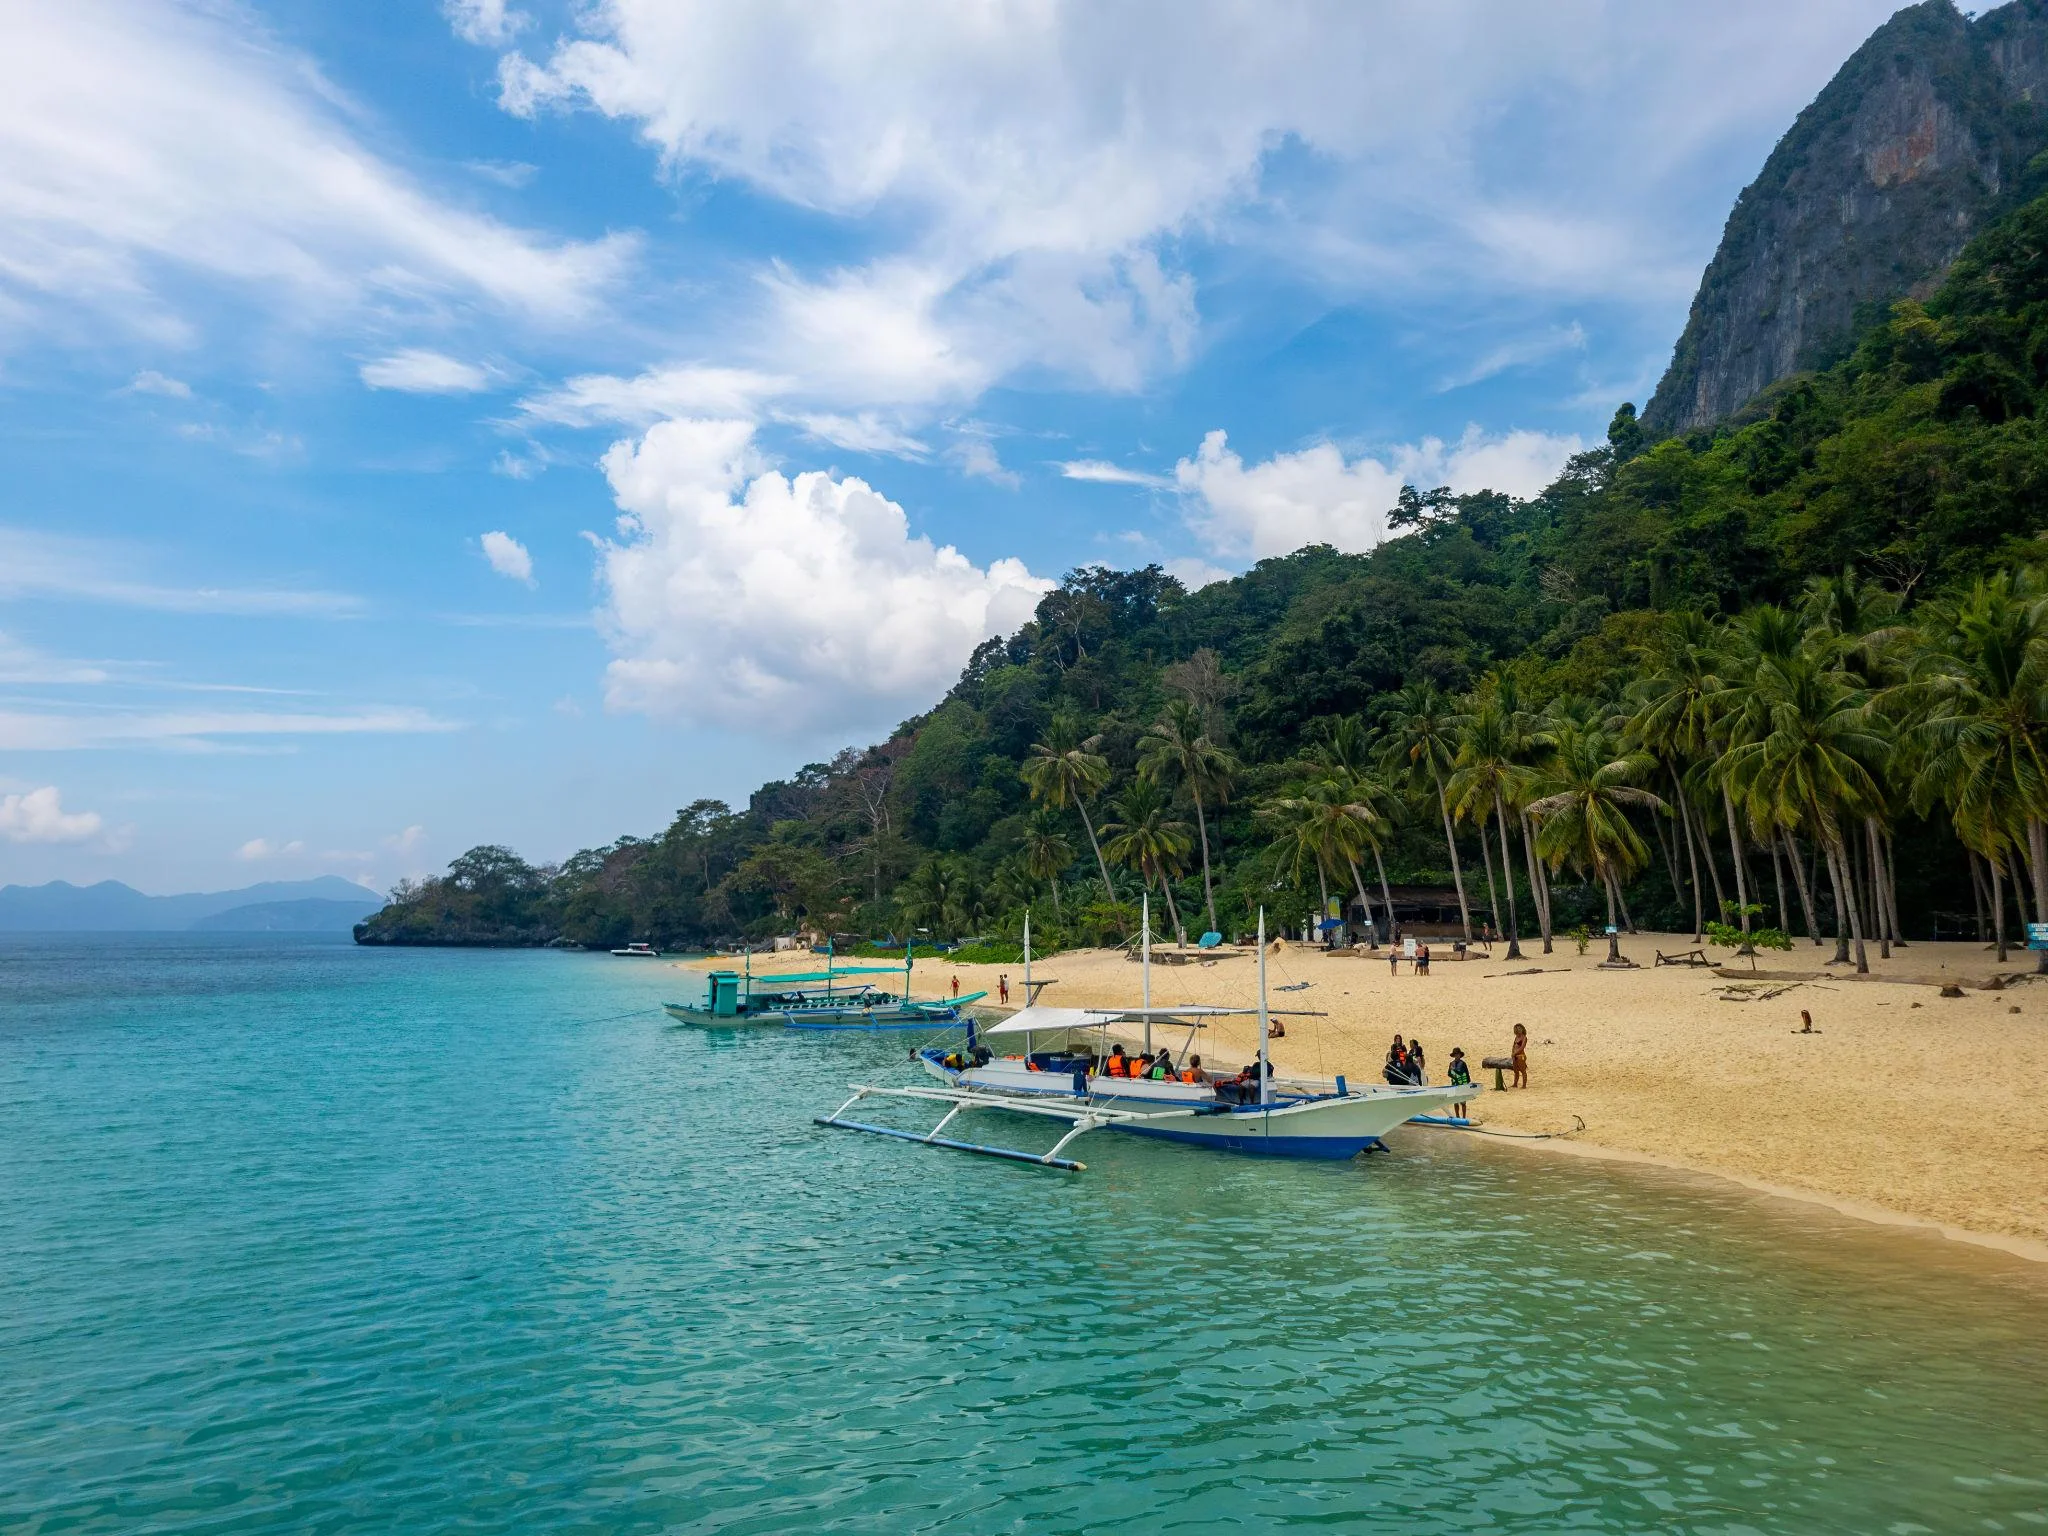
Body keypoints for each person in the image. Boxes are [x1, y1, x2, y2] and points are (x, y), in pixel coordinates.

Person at [1446, 1047, 1471, 1118]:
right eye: (1455, 1054)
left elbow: (1466, 1074)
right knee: (1455, 1102)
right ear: (1454, 1056)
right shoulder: (1451, 1063)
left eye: (1458, 1054)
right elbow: (1449, 1073)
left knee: (1463, 1103)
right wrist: (1453, 1073)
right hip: (1454, 1085)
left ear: (1460, 1055)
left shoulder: (1463, 1064)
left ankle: (1464, 1117)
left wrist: (1467, 1084)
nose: (1457, 1056)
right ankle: (1457, 1116)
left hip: (1462, 1085)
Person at [1511, 1022, 1528, 1089]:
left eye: (1520, 1028)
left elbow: (1522, 1047)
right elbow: (1513, 1046)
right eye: (1517, 1028)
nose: (1519, 1030)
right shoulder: (1516, 1037)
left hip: (1521, 1056)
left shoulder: (1524, 1038)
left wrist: (1515, 1053)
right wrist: (1513, 1053)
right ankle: (1515, 1084)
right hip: (1515, 1056)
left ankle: (1524, 1085)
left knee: (1523, 1071)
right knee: (1516, 1071)